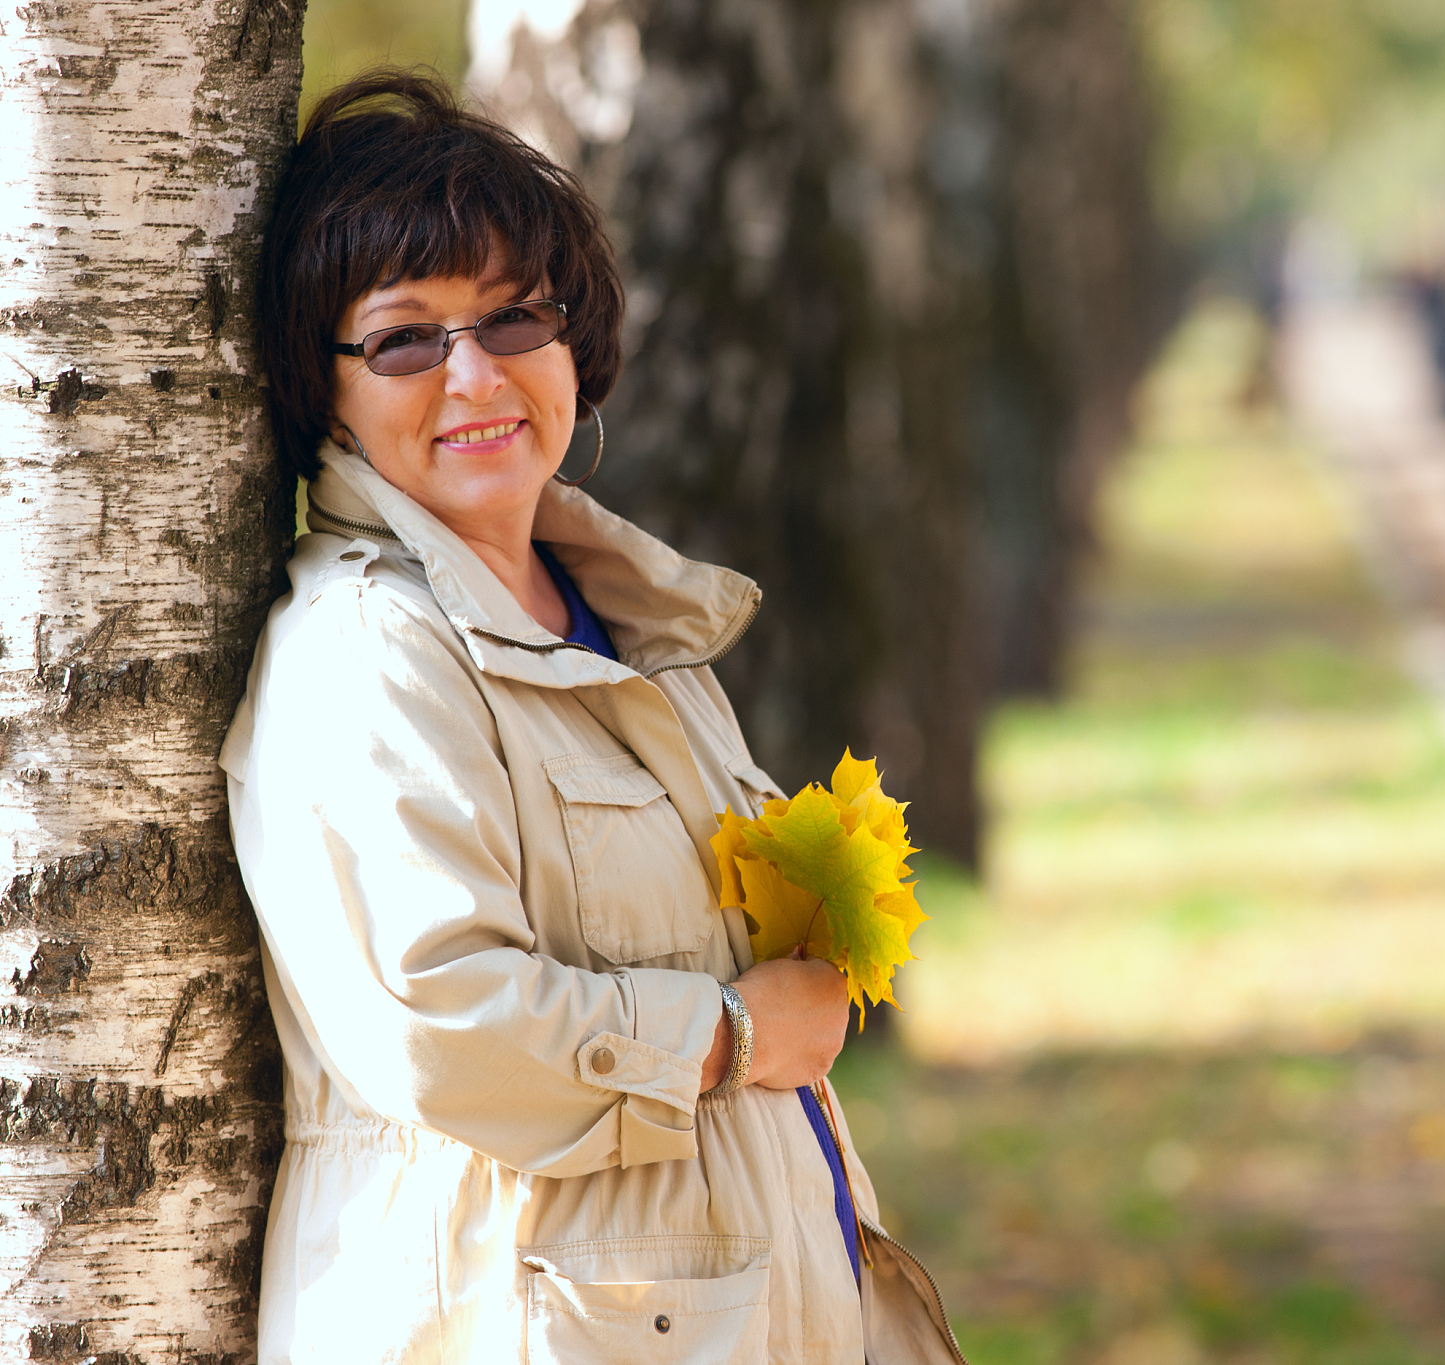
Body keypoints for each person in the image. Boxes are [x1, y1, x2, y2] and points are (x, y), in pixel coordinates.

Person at [221, 72, 962, 1364]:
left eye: (513, 320)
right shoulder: (369, 651)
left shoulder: (628, 623)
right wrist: (727, 1039)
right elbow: (444, 1021)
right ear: (321, 384)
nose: (473, 374)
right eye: (405, 337)